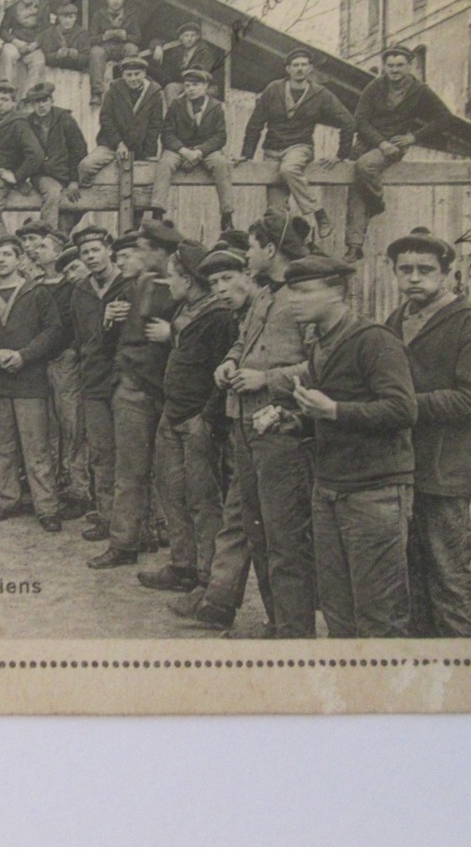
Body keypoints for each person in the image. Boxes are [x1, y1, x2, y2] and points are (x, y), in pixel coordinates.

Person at [255, 255, 417, 638]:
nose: (294, 300)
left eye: (306, 291)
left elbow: (403, 409)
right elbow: (329, 413)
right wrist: (296, 422)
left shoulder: (374, 340)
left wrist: (334, 411)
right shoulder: (320, 343)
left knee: (379, 615)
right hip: (329, 487)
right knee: (338, 610)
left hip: (374, 492)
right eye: (292, 291)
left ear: (337, 294)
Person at [185, 213, 313, 636]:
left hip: (279, 429)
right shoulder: (263, 296)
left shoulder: (302, 296)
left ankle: (294, 630)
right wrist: (229, 363)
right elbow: (245, 342)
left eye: (253, 248)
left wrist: (268, 379)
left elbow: (327, 364)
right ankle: (278, 621)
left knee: (283, 537)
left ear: (271, 250)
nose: (248, 255)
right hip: (243, 422)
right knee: (257, 534)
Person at [381, 228, 471, 637]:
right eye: (405, 269)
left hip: (446, 469)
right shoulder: (396, 320)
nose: (414, 278)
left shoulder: (468, 323)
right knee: (409, 576)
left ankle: (467, 666)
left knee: (449, 575)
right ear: (393, 272)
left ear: (446, 273)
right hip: (403, 467)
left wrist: (404, 407)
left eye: (425, 270)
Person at [138, 238, 236, 594]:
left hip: (197, 422)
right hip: (173, 416)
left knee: (202, 501)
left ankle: (208, 576)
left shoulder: (219, 317)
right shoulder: (183, 311)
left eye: (172, 277)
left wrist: (206, 420)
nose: (168, 284)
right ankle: (183, 566)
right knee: (172, 493)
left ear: (188, 280)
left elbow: (224, 375)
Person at [89, 218, 181, 568]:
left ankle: (179, 554)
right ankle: (124, 544)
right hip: (133, 389)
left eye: (141, 250)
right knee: (129, 472)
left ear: (160, 252)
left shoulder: (183, 285)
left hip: (169, 392)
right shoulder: (132, 286)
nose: (135, 257)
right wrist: (109, 319)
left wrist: (174, 332)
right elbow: (109, 341)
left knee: (172, 476)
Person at [0, 233, 66, 531]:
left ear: (19, 259)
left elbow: (53, 331)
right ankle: (8, 500)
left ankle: (47, 507)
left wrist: (24, 355)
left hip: (30, 381)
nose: (1, 260)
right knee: (0, 446)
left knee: (36, 447)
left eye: (7, 255)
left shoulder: (37, 293)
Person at [342, 45, 453, 261]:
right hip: (370, 142)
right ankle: (354, 246)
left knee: (365, 166)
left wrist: (414, 137)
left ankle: (376, 204)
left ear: (409, 65)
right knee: (357, 186)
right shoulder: (374, 87)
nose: (395, 70)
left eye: (400, 65)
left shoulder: (420, 90)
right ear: (385, 67)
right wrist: (380, 143)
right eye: (391, 66)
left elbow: (444, 117)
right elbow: (361, 120)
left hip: (396, 144)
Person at [241, 48, 356, 241]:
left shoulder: (320, 93)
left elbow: (348, 122)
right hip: (272, 151)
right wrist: (247, 154)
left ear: (310, 68)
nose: (300, 69)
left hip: (299, 147)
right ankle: (285, 252)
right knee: (275, 213)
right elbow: (255, 123)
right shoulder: (273, 89)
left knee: (288, 169)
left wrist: (341, 155)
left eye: (304, 65)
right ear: (288, 69)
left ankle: (319, 213)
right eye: (295, 65)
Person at [68, 226, 129, 540]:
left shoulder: (128, 284)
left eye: (95, 250)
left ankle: (135, 522)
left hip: (125, 380)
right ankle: (107, 517)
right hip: (93, 381)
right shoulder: (80, 290)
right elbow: (79, 336)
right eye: (85, 253)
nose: (91, 257)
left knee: (130, 454)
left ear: (109, 250)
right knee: (102, 453)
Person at [32, 232, 89, 520]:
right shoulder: (35, 286)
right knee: (50, 428)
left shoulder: (73, 287)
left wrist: (71, 351)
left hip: (66, 363)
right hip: (40, 364)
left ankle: (80, 489)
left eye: (42, 245)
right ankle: (57, 483)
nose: (36, 250)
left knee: (73, 425)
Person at [152, 67, 234, 230]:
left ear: (205, 86)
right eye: (188, 85)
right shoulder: (176, 105)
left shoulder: (215, 107)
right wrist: (183, 151)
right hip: (179, 149)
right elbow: (167, 134)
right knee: (165, 164)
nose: (191, 89)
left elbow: (220, 137)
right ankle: (157, 212)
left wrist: (200, 151)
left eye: (195, 85)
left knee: (221, 164)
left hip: (205, 150)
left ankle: (227, 215)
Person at [78, 57, 166, 188]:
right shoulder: (114, 89)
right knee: (85, 166)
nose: (133, 78)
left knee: (145, 178)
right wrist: (118, 144)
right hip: (111, 146)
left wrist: (148, 153)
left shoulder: (155, 93)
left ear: (144, 73)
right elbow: (106, 118)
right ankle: (86, 198)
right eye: (128, 75)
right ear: (123, 75)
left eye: (137, 74)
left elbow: (155, 125)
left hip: (140, 148)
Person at [0, 82, 46, 237]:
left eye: (5, 99)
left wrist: (17, 176)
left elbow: (36, 154)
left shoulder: (19, 123)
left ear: (13, 102)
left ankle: (6, 248)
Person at [23, 82, 88, 233]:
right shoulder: (27, 123)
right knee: (52, 193)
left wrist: (73, 180)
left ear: (52, 101)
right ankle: (46, 235)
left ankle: (60, 236)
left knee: (75, 206)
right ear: (32, 104)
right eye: (36, 102)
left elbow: (78, 150)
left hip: (66, 173)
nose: (41, 106)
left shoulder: (65, 119)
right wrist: (20, 179)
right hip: (43, 174)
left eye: (44, 101)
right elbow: (19, 152)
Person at [37, 2, 103, 108]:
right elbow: (45, 56)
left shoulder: (82, 34)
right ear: (59, 17)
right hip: (53, 78)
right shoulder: (50, 33)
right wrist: (56, 55)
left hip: (76, 82)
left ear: (75, 17)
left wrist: (77, 56)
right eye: (64, 17)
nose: (67, 21)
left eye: (71, 17)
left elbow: (87, 59)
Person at [0, 0, 51, 93]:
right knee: (6, 51)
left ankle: (28, 96)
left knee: (38, 62)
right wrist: (15, 41)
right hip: (17, 44)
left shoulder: (43, 7)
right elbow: (3, 30)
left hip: (34, 46)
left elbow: (47, 31)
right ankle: (5, 86)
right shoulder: (12, 9)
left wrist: (35, 44)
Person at [154, 22, 225, 102]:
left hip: (206, 86)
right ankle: (173, 114)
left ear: (197, 37)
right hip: (188, 84)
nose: (189, 39)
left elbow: (203, 75)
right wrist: (158, 46)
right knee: (170, 88)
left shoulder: (205, 52)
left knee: (177, 92)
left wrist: (187, 88)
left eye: (192, 35)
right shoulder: (180, 51)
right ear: (181, 37)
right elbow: (157, 40)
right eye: (186, 35)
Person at [92, 0, 144, 84]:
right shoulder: (98, 15)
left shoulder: (130, 16)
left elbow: (138, 38)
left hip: (122, 48)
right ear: (107, 0)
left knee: (132, 48)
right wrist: (104, 37)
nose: (115, 1)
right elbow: (90, 39)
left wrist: (125, 36)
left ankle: (129, 84)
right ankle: (97, 91)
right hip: (105, 48)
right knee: (96, 51)